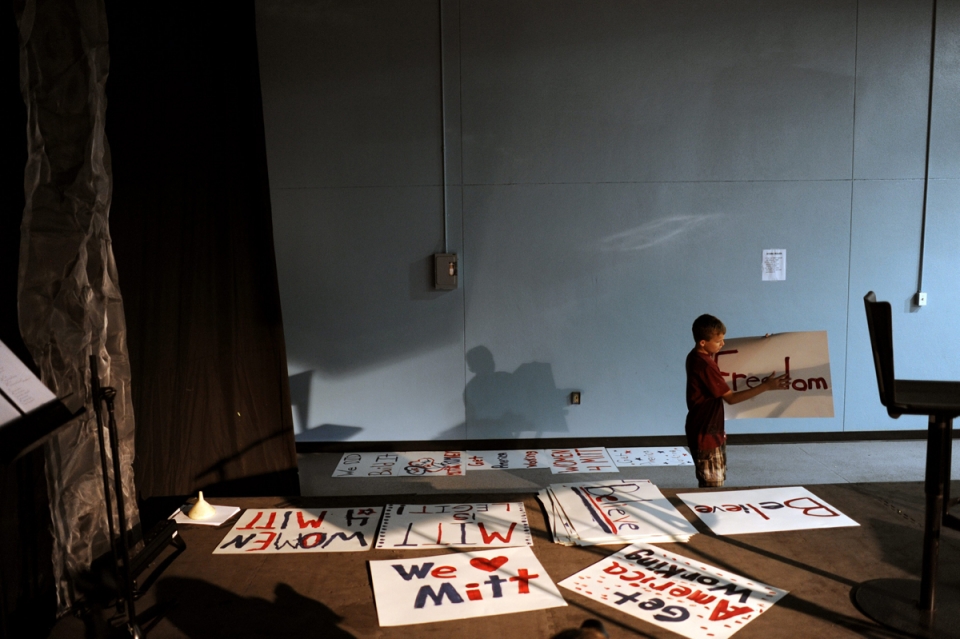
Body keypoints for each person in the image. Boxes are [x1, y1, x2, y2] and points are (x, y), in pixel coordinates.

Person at [685, 314, 789, 487]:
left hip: (708, 430)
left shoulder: (696, 356)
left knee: (714, 481)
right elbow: (731, 399)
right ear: (703, 342)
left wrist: (764, 346)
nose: (722, 344)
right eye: (719, 341)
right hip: (706, 434)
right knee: (713, 486)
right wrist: (766, 386)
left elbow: (730, 350)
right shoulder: (705, 366)